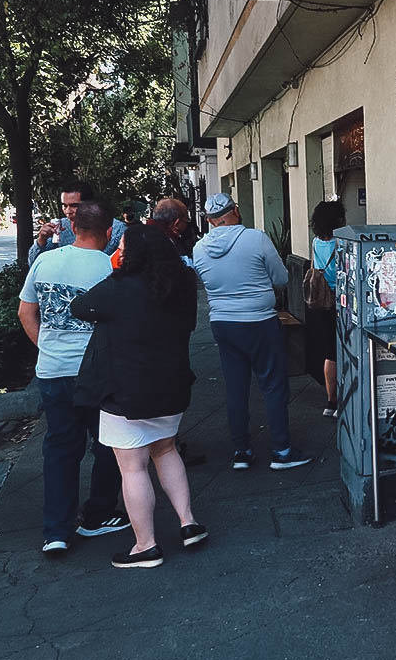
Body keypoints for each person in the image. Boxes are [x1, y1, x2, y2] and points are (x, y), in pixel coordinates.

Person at [71, 225, 205, 568]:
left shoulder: (119, 287)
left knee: (133, 467)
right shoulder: (183, 284)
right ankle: (188, 522)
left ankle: (145, 545)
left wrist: (116, 268)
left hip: (125, 391)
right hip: (172, 385)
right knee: (166, 449)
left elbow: (80, 307)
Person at [17, 200, 129, 556]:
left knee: (61, 448)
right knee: (110, 443)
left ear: (72, 227)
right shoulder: (110, 267)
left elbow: (25, 311)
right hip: (97, 373)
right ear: (109, 232)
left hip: (52, 371)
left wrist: (46, 347)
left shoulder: (45, 261)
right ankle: (97, 514)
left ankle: (57, 531)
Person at [193, 193, 311, 471]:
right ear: (235, 210)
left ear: (210, 221)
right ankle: (282, 451)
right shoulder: (256, 238)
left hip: (222, 323)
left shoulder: (198, 249)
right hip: (259, 322)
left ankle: (241, 452)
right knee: (273, 386)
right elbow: (281, 278)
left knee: (235, 388)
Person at [308, 200, 346, 416]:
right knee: (340, 349)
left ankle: (331, 401)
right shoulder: (340, 243)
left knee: (329, 351)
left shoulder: (315, 243)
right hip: (339, 300)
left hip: (321, 300)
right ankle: (338, 400)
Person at [29, 180, 125, 265]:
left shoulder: (117, 229)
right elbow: (33, 263)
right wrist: (41, 240)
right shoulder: (59, 227)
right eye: (64, 206)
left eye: (74, 206)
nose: (68, 211)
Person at [148, 198, 195, 265]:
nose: (186, 225)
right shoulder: (170, 244)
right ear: (177, 223)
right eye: (186, 221)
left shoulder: (145, 235)